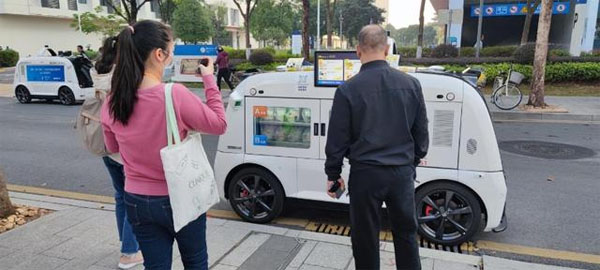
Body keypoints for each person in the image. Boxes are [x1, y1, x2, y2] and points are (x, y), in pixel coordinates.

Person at [101, 20, 227, 270]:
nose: (171, 57)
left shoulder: (112, 101)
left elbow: (112, 147)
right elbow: (219, 124)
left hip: (137, 199)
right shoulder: (174, 95)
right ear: (159, 54)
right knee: (195, 262)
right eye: (171, 51)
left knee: (155, 266)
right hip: (180, 194)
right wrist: (210, 80)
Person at [324, 25, 429, 270]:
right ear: (387, 49)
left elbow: (337, 140)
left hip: (365, 174)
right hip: (401, 172)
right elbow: (421, 133)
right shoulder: (411, 84)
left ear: (358, 51)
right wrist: (412, 160)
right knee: (406, 232)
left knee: (365, 236)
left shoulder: (347, 89)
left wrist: (333, 175)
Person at [92, 36, 143, 270]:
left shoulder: (98, 71)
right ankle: (129, 253)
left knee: (121, 196)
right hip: (122, 147)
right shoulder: (121, 76)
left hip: (105, 143)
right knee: (132, 199)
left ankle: (126, 241)